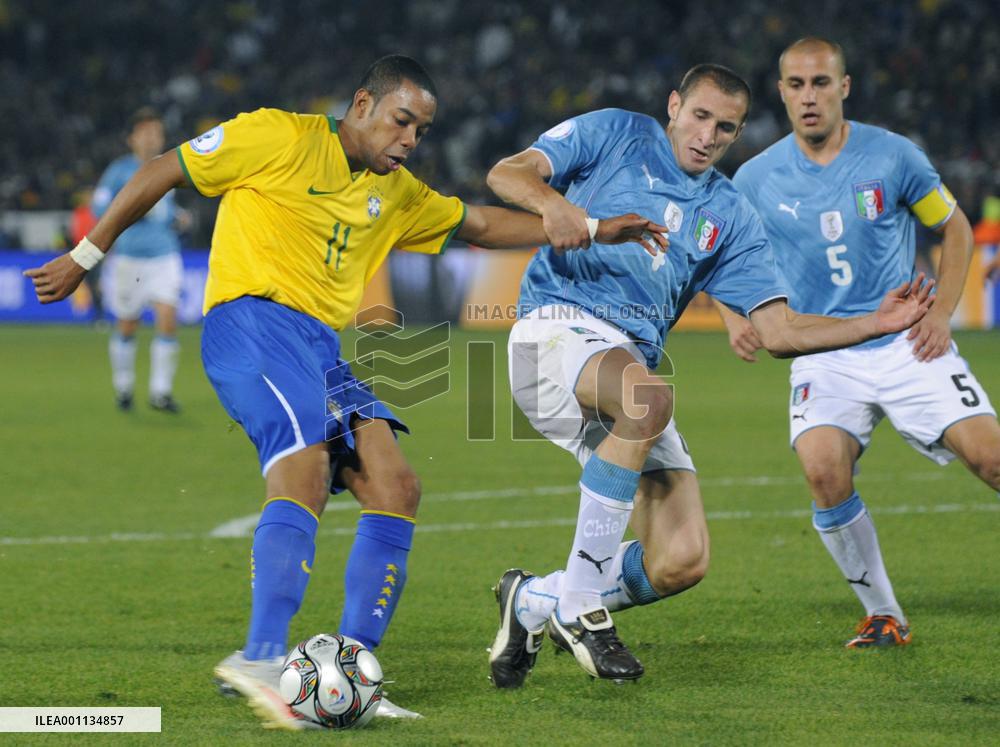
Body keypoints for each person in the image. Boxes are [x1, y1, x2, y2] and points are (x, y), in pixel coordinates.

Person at [25, 55, 666, 728]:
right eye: (402, 120)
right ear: (361, 103)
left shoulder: (396, 192)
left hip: (317, 346)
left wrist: (590, 227)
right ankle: (262, 656)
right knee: (301, 461)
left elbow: (476, 225)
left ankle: (352, 670)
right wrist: (86, 257)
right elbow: (166, 170)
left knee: (394, 483)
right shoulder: (277, 136)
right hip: (250, 319)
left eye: (421, 130)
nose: (410, 140)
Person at [484, 63, 934, 688]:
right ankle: (583, 608)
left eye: (725, 128)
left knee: (681, 560)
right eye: (699, 117)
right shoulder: (617, 133)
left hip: (623, 368)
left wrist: (874, 321)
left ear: (737, 133)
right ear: (674, 106)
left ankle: (533, 600)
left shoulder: (729, 213)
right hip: (552, 330)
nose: (707, 136)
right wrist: (557, 207)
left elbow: (780, 332)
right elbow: (507, 172)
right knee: (648, 399)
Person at [718, 37, 1000, 648]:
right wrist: (730, 313)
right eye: (795, 85)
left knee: (992, 459)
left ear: (844, 87)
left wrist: (942, 313)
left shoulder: (894, 157)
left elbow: (953, 227)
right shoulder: (756, 178)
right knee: (822, 469)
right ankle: (883, 614)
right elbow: (718, 251)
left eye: (820, 83)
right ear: (782, 92)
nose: (808, 97)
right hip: (822, 350)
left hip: (906, 341)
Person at [92, 108, 187, 412]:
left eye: (156, 133)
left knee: (168, 320)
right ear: (132, 138)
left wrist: (179, 218)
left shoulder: (170, 165)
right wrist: (136, 209)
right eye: (145, 133)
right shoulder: (119, 171)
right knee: (127, 325)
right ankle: (123, 387)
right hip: (129, 260)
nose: (151, 138)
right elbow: (99, 210)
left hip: (165, 256)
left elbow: (169, 212)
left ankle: (160, 392)